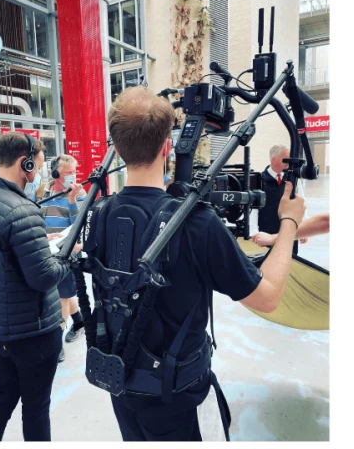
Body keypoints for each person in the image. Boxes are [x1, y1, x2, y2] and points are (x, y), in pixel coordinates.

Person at [86, 86, 306, 441]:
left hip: (122, 388)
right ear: (167, 147)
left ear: (119, 149)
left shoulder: (98, 214)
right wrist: (289, 222)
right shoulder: (197, 224)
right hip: (181, 398)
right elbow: (267, 298)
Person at [0, 132, 77, 441]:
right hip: (30, 333)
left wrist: (40, 242)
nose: (38, 170)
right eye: (37, 164)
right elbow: (43, 277)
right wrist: (68, 255)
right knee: (36, 408)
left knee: (4, 396)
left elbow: (0, 255)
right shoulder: (22, 210)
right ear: (25, 163)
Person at [39, 154, 87, 362]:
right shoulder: (43, 191)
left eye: (74, 172)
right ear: (56, 173)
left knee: (62, 297)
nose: (72, 177)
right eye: (68, 173)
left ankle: (56, 343)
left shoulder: (80, 193)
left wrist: (72, 200)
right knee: (62, 294)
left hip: (67, 253)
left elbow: (81, 224)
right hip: (46, 250)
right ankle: (79, 321)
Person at [253, 144, 309, 246]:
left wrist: (304, 228)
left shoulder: (293, 179)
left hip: (290, 235)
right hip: (266, 236)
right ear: (274, 159)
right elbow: (253, 210)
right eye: (286, 159)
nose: (289, 163)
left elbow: (301, 203)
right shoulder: (259, 180)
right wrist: (254, 233)